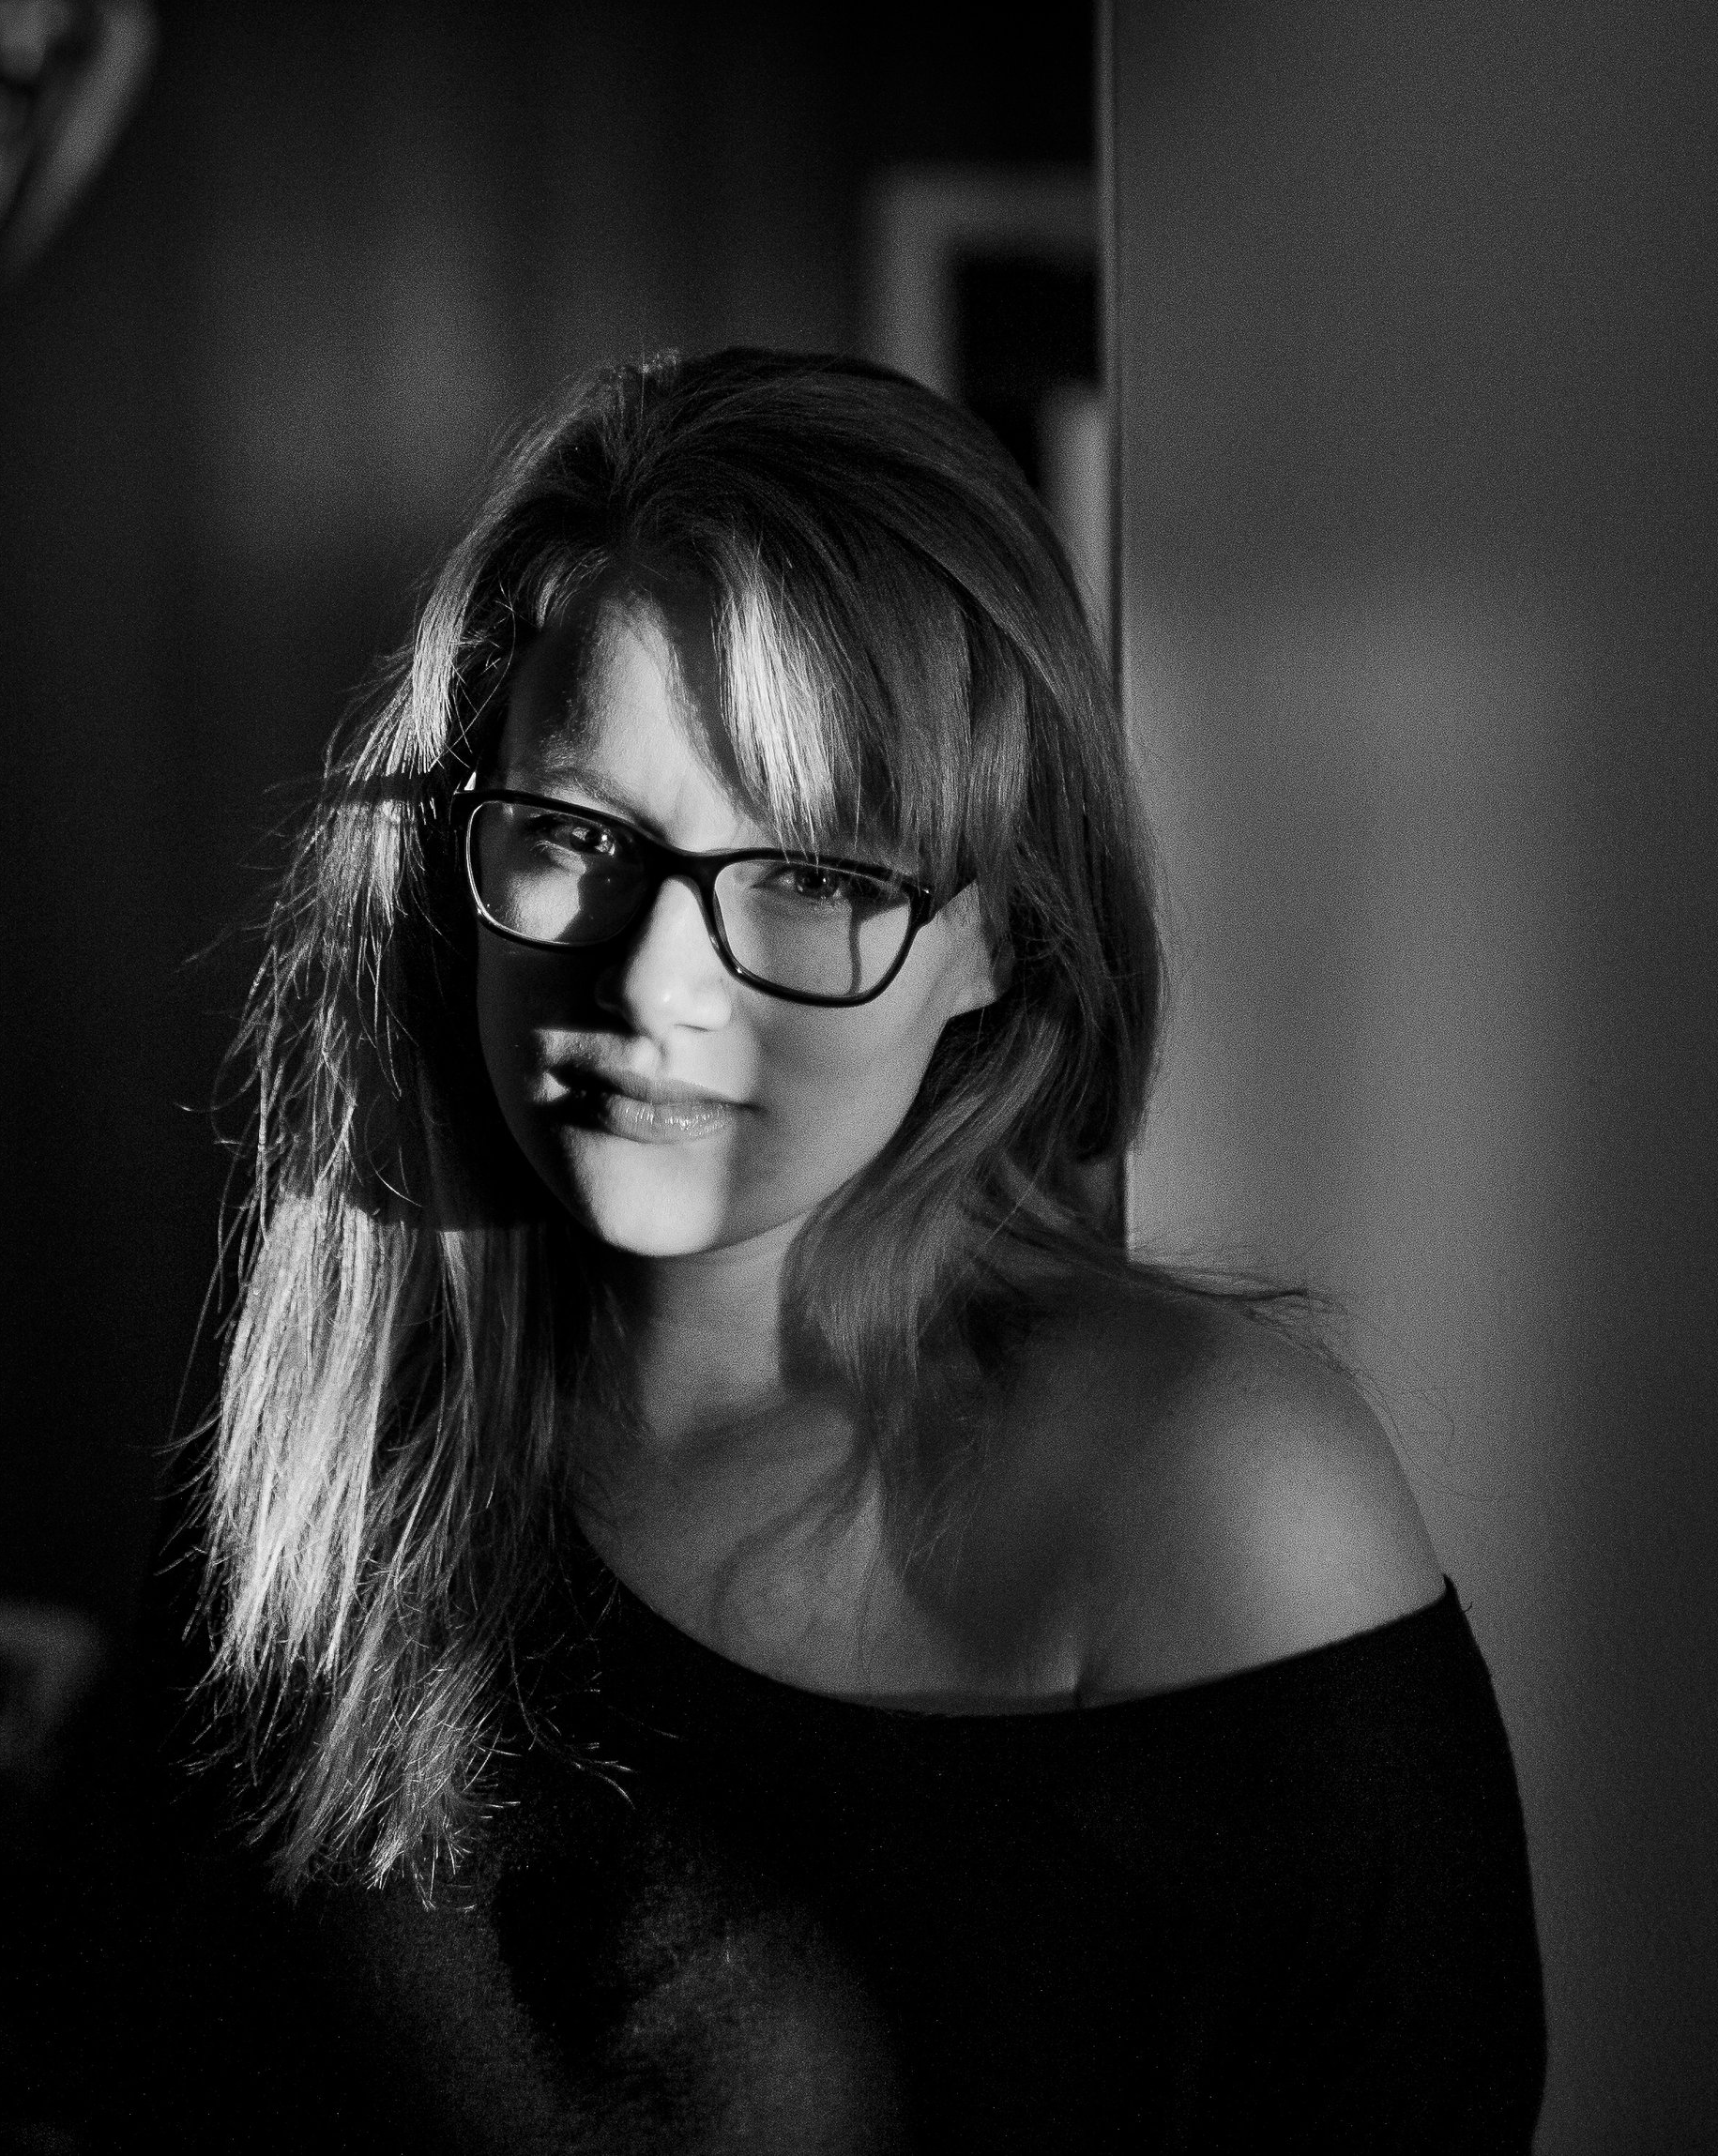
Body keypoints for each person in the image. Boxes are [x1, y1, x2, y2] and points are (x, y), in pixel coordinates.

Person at [147, 347, 1544, 2151]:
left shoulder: (1214, 1493)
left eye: (814, 875)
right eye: (578, 834)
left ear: (998, 941)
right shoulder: (342, 1418)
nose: (654, 985)